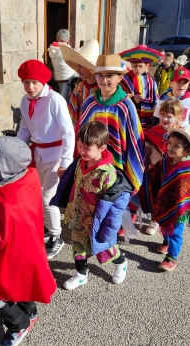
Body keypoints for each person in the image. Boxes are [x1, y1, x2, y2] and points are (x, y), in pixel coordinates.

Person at [0, 136, 57, 346]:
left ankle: (20, 324)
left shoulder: (10, 202)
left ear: (4, 166)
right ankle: (30, 310)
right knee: (23, 282)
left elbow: (5, 233)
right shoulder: (30, 175)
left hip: (13, 255)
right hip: (29, 253)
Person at [52, 121, 134, 289]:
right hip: (78, 215)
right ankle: (81, 274)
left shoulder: (108, 173)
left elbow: (114, 206)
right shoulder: (80, 163)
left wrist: (109, 227)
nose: (82, 151)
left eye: (87, 148)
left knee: (106, 248)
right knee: (78, 246)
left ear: (102, 148)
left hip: (97, 221)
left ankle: (121, 262)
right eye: (80, 146)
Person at [17, 59, 75, 259]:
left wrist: (66, 161)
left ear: (43, 82)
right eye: (26, 82)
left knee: (48, 197)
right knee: (37, 194)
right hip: (37, 154)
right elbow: (24, 128)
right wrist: (16, 150)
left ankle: (57, 236)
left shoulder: (55, 99)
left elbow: (68, 132)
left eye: (34, 82)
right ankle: (45, 226)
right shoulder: (25, 101)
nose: (30, 87)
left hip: (55, 155)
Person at [78, 54, 144, 193]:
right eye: (100, 75)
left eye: (110, 75)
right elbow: (81, 133)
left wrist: (133, 174)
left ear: (120, 78)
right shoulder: (90, 103)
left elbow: (134, 140)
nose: (104, 80)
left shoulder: (126, 105)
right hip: (92, 164)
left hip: (118, 165)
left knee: (111, 205)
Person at [139, 126, 190, 272]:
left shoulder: (187, 169)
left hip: (181, 209)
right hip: (165, 203)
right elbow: (154, 175)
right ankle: (166, 243)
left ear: (187, 151)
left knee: (176, 231)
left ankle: (171, 258)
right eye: (170, 143)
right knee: (165, 222)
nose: (171, 147)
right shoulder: (166, 161)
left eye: (177, 146)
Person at [141, 99, 183, 235]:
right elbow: (146, 153)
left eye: (169, 116)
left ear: (178, 117)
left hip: (173, 173)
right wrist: (145, 165)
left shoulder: (182, 135)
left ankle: (166, 225)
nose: (164, 119)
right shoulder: (153, 132)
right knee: (155, 196)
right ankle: (155, 221)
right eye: (162, 115)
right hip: (155, 171)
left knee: (169, 198)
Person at [60, 39, 100, 128]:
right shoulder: (79, 88)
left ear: (90, 67)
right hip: (82, 133)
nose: (77, 70)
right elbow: (71, 114)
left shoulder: (102, 89)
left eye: (80, 66)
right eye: (77, 66)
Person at [120, 57, 159, 132]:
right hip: (129, 113)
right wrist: (127, 96)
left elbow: (156, 100)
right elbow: (118, 94)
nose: (137, 69)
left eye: (140, 66)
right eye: (135, 66)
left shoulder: (151, 81)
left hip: (145, 117)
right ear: (131, 66)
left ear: (145, 66)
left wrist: (142, 100)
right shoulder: (124, 79)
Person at [47, 29, 78, 101]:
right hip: (68, 76)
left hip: (58, 76)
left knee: (62, 94)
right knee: (63, 98)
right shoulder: (67, 50)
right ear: (67, 38)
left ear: (57, 38)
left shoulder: (52, 49)